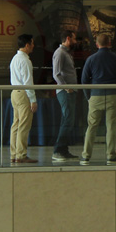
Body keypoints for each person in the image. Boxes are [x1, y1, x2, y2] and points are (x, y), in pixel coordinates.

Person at [80, 33, 116, 164]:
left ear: (97, 44)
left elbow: (84, 80)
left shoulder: (91, 59)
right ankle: (111, 155)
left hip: (95, 95)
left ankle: (86, 155)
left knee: (92, 126)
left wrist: (88, 96)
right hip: (113, 96)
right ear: (109, 43)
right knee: (111, 126)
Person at [9, 33, 38, 163]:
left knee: (16, 124)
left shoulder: (15, 58)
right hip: (23, 94)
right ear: (27, 45)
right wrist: (33, 100)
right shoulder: (25, 60)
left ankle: (14, 154)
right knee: (24, 125)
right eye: (32, 43)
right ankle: (21, 154)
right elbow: (28, 82)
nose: (33, 46)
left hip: (15, 92)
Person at [52, 30, 79, 161]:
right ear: (68, 39)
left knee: (68, 120)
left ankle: (63, 149)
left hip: (69, 91)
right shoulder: (60, 53)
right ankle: (58, 150)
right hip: (65, 92)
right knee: (68, 119)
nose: (76, 41)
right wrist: (66, 87)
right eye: (74, 39)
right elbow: (56, 73)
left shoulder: (66, 53)